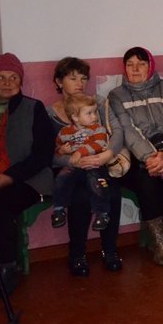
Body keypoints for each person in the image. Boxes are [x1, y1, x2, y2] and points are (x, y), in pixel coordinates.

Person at [107, 47, 163, 265]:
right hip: (141, 157)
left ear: (151, 66)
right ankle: (160, 241)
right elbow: (127, 130)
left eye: (141, 64)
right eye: (130, 64)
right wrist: (150, 157)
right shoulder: (116, 96)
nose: (135, 69)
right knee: (147, 184)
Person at [47, 56, 125, 276]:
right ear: (59, 82)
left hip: (98, 163)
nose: (80, 83)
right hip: (69, 168)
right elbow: (50, 152)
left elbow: (117, 132)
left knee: (112, 192)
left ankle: (110, 251)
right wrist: (73, 160)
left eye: (83, 78)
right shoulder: (49, 113)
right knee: (80, 198)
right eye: (73, 78)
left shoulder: (96, 104)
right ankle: (77, 254)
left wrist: (107, 154)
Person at [0, 53, 54, 299]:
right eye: (0, 77)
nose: (7, 83)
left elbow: (43, 154)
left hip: (28, 179)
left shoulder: (33, 108)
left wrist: (9, 178)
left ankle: (7, 270)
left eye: (13, 77)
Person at [51, 94, 113, 232]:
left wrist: (80, 152)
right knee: (62, 176)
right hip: (75, 167)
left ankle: (102, 212)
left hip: (94, 165)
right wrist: (61, 150)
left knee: (96, 181)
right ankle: (59, 208)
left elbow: (99, 143)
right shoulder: (65, 132)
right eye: (89, 113)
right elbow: (57, 147)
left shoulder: (98, 128)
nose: (94, 116)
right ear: (75, 117)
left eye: (94, 112)